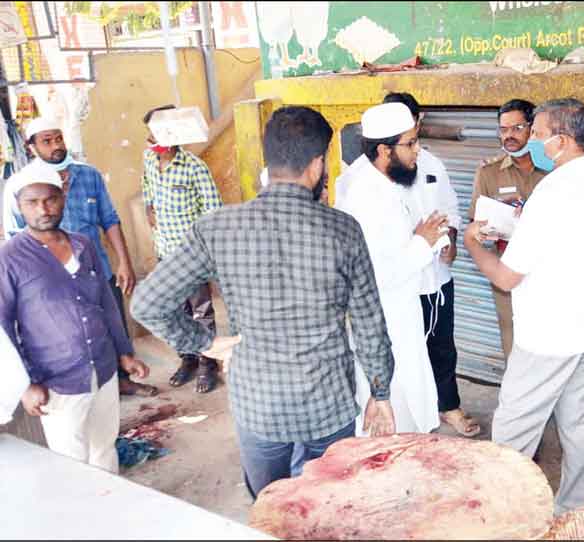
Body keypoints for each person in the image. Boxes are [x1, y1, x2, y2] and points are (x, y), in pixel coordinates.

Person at [131, 106, 396, 497]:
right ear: (317, 164)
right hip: (327, 405)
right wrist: (381, 391)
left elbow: (147, 304)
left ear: (269, 162)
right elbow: (370, 324)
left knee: (269, 507)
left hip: (259, 405)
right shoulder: (343, 231)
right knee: (327, 503)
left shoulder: (217, 228)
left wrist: (204, 343)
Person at [464, 98, 584, 514]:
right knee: (579, 424)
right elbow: (574, 247)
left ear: (562, 141)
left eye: (537, 135)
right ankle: (571, 509)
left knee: (511, 432)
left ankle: (506, 517)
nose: (530, 142)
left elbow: (506, 277)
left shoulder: (550, 195)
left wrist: (471, 243)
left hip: (547, 336)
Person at [0, 162, 151, 473]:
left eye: (50, 199)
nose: (43, 209)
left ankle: (112, 508)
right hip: (57, 382)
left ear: (63, 197)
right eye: (32, 202)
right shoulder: (9, 258)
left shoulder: (83, 245)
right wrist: (24, 384)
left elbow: (106, 303)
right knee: (72, 464)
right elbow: (4, 328)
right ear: (19, 206)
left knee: (105, 449)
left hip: (104, 367)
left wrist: (124, 353)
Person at [2, 117, 156, 397]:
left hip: (94, 265)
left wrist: (124, 261)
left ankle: (119, 376)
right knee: (63, 329)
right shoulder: (21, 185)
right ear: (31, 146)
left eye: (58, 138)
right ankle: (74, 383)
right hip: (46, 278)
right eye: (46, 141)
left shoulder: (89, 175)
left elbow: (108, 219)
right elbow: (14, 235)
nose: (56, 146)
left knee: (111, 319)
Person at [336, 102, 446, 435]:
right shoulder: (366, 197)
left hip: (401, 316)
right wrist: (422, 244)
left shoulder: (383, 182)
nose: (418, 150)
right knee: (391, 419)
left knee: (408, 404)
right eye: (410, 143)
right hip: (384, 325)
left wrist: (419, 237)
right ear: (384, 150)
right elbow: (373, 276)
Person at [382, 92, 480, 437]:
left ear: (418, 121)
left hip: (437, 277)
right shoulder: (372, 176)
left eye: (412, 131)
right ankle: (405, 412)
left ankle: (448, 406)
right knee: (403, 350)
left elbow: (450, 207)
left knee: (442, 345)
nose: (412, 146)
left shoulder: (432, 164)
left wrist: (451, 237)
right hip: (402, 284)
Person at [141, 105, 223, 393]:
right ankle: (187, 358)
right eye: (148, 134)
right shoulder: (149, 161)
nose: (149, 140)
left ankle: (207, 363)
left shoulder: (194, 168)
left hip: (191, 257)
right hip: (165, 252)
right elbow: (148, 190)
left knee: (201, 311)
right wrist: (150, 208)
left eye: (154, 134)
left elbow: (213, 212)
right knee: (175, 310)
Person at [468, 99, 546, 360]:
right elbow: (475, 228)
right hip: (507, 268)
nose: (508, 136)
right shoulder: (489, 173)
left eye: (517, 128)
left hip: (549, 269)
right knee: (513, 343)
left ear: (533, 129)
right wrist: (488, 228)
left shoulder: (554, 172)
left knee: (550, 343)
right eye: (503, 129)